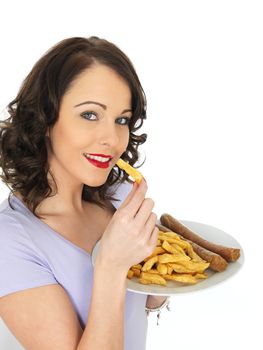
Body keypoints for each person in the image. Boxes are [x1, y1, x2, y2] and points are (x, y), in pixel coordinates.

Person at [0, 36, 169, 350]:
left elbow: (140, 307)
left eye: (122, 119)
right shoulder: (8, 241)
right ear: (45, 118)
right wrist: (111, 266)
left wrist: (160, 276)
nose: (112, 138)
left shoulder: (118, 195)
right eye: (90, 115)